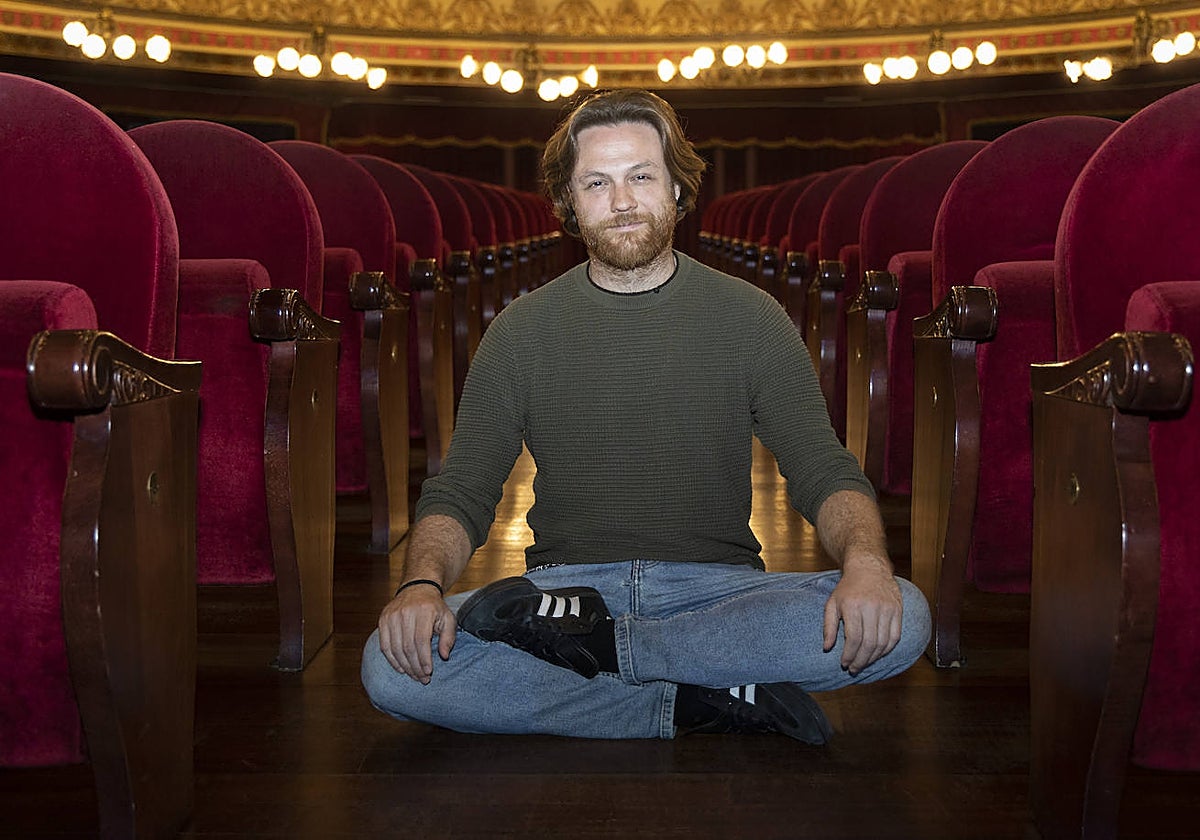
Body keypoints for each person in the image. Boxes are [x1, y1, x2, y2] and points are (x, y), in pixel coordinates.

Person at [361, 89, 930, 743]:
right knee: (389, 667)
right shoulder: (520, 331)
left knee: (904, 616)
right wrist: (420, 587)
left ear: (678, 191)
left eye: (641, 176)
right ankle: (696, 698)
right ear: (570, 203)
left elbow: (822, 469)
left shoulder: (751, 318)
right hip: (563, 594)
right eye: (597, 183)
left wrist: (865, 565)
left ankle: (612, 653)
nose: (623, 201)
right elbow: (461, 490)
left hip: (716, 597)